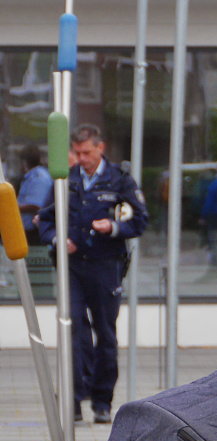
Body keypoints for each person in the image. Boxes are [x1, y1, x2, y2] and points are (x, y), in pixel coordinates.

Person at [38, 123, 148, 424]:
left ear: (101, 148)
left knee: (105, 334)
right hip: (73, 267)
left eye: (87, 152)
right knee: (71, 330)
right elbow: (43, 220)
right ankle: (73, 401)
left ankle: (102, 402)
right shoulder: (66, 180)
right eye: (77, 152)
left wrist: (113, 228)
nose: (82, 158)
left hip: (105, 265)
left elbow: (140, 220)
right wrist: (58, 239)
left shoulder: (119, 180)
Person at [17, 144, 53, 245]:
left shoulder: (38, 178)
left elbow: (36, 205)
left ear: (24, 162)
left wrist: (13, 208)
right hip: (25, 231)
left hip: (34, 232)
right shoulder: (29, 177)